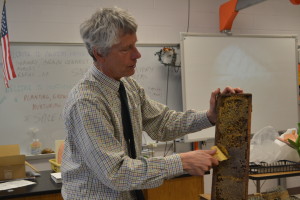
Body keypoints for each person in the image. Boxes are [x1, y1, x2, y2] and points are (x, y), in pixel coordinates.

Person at [61, 7, 243, 200]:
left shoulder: (128, 86)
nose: (137, 54)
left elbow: (163, 123)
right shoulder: (86, 102)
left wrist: (209, 116)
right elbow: (116, 173)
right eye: (126, 49)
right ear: (99, 54)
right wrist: (181, 162)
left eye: (135, 45)